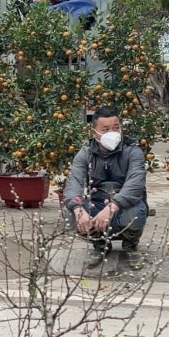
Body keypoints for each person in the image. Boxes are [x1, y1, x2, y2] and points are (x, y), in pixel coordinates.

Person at [61, 107, 149, 270]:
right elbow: (73, 184)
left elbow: (135, 185)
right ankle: (100, 244)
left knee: (135, 212)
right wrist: (78, 209)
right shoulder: (85, 153)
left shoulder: (132, 151)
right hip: (97, 205)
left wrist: (112, 207)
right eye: (106, 129)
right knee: (68, 213)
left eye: (116, 128)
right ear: (94, 133)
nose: (113, 133)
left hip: (124, 207)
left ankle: (130, 245)